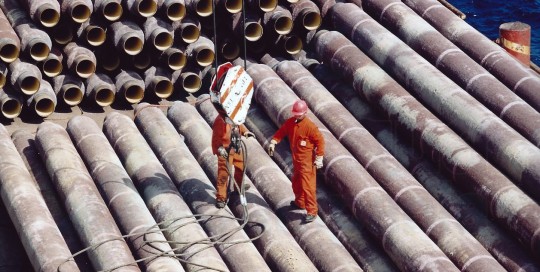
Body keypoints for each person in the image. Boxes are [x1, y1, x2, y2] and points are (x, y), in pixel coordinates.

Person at [267, 100, 325, 223]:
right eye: (295, 114)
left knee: (308, 187)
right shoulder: (291, 123)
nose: (297, 116)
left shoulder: (310, 127)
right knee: (297, 183)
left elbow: (320, 141)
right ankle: (300, 203)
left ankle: (312, 212)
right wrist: (273, 141)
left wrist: (319, 157)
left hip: (307, 163)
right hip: (297, 161)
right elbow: (282, 132)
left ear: (305, 113)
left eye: (299, 114)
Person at [211, 104, 254, 208]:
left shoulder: (235, 116)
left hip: (236, 148)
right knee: (223, 175)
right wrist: (219, 149)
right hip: (225, 152)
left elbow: (239, 126)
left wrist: (245, 132)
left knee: (241, 168)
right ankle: (221, 198)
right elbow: (215, 138)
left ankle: (238, 187)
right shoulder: (220, 121)